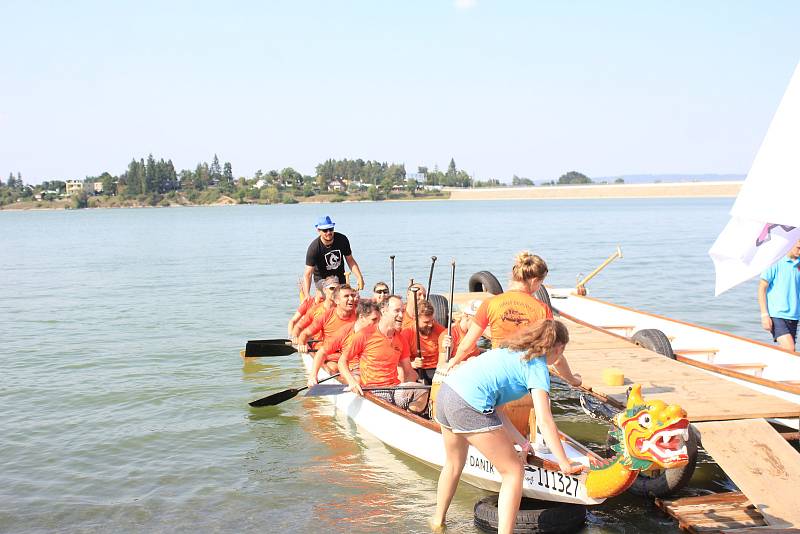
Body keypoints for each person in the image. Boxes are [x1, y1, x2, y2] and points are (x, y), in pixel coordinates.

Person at [430, 319, 583, 533]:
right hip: (467, 405)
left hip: (447, 393)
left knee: (454, 464)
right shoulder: (537, 367)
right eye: (561, 352)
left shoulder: (512, 350)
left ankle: (438, 522)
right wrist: (564, 462)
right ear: (558, 348)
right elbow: (545, 420)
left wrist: (522, 442)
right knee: (513, 471)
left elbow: (498, 411)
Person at [445, 252, 581, 387]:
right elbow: (555, 355)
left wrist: (453, 362)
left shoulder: (490, 303)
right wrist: (573, 380)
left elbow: (467, 345)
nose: (539, 287)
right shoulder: (542, 309)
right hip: (528, 376)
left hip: (499, 373)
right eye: (541, 283)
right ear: (534, 281)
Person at [338, 295, 428, 413]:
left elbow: (409, 371)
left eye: (402, 311)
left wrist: (416, 381)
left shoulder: (401, 340)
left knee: (423, 391)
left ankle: (410, 416)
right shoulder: (364, 335)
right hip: (372, 390)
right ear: (384, 311)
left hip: (394, 389)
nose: (401, 315)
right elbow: (342, 361)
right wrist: (352, 382)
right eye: (396, 311)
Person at [307, 300, 380, 386]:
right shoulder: (344, 331)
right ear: (361, 317)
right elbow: (322, 352)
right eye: (374, 320)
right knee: (358, 378)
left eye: (379, 320)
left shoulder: (379, 332)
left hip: (375, 369)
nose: (378, 324)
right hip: (353, 370)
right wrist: (313, 376)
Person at [302, 215, 365, 298]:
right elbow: (308, 274)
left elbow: (350, 260)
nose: (329, 232)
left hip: (340, 278)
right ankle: (320, 295)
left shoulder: (342, 239)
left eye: (331, 229)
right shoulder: (314, 248)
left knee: (352, 296)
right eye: (325, 230)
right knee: (334, 290)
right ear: (318, 230)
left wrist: (359, 277)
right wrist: (307, 295)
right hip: (322, 280)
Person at [758, 239, 800, 351]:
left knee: (787, 351)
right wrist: (764, 315)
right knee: (790, 349)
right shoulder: (775, 262)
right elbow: (762, 288)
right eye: (798, 248)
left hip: (794, 316)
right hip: (776, 315)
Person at [297, 285, 357, 353]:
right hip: (331, 357)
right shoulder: (326, 316)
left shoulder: (360, 315)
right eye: (346, 296)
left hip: (352, 356)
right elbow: (305, 334)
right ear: (337, 301)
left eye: (352, 295)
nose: (351, 299)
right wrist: (301, 344)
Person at [401, 300, 446, 384]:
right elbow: (400, 361)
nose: (430, 325)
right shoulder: (406, 333)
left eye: (432, 320)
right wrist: (412, 364)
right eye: (426, 322)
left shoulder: (440, 330)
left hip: (436, 370)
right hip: (417, 370)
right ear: (415, 319)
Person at [437, 299, 483, 368]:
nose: (480, 324)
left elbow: (476, 350)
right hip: (462, 369)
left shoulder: (472, 332)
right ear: (466, 316)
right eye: (477, 320)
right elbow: (441, 365)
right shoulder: (449, 335)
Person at [291, 276, 339, 341]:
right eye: (332, 288)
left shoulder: (344, 309)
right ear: (324, 290)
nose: (335, 291)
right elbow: (298, 326)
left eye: (338, 289)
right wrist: (294, 337)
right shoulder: (314, 309)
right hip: (317, 344)